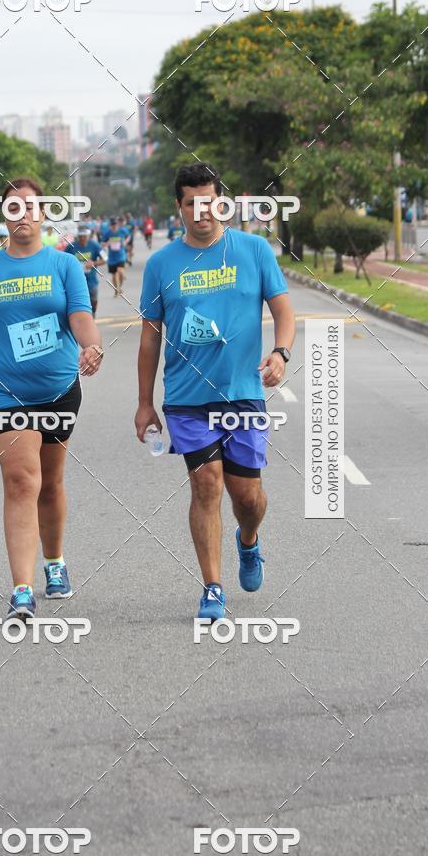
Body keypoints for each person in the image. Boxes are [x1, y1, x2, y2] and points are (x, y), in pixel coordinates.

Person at [135, 163, 295, 621]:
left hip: (243, 392)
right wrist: (145, 402)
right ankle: (212, 588)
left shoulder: (253, 250)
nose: (201, 211)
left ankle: (249, 540)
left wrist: (280, 352)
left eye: (209, 202)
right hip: (186, 397)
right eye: (192, 203)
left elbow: (284, 312)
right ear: (179, 207)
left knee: (247, 497)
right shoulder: (162, 264)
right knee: (206, 483)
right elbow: (150, 338)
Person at [0, 177, 104, 619]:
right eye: (12, 207)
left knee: (50, 482)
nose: (21, 214)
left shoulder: (64, 265)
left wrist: (91, 344)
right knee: (22, 481)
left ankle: (54, 561)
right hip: (2, 392)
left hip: (58, 389)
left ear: (44, 214)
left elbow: (80, 315)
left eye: (29, 206)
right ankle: (21, 589)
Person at [65, 225, 106, 317]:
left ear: (88, 236)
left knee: (94, 300)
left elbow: (105, 258)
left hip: (91, 280)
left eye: (84, 236)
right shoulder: (71, 246)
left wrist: (94, 263)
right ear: (78, 236)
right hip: (75, 280)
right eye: (80, 236)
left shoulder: (94, 245)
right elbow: (63, 261)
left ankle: (93, 313)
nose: (82, 238)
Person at [102, 217, 128, 297]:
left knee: (121, 272)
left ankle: (119, 287)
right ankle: (116, 290)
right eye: (113, 224)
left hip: (121, 256)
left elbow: (128, 236)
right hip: (112, 258)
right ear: (111, 225)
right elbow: (102, 243)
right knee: (114, 275)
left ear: (117, 224)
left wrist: (125, 242)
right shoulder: (107, 233)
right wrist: (107, 243)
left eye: (115, 224)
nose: (114, 226)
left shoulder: (122, 231)